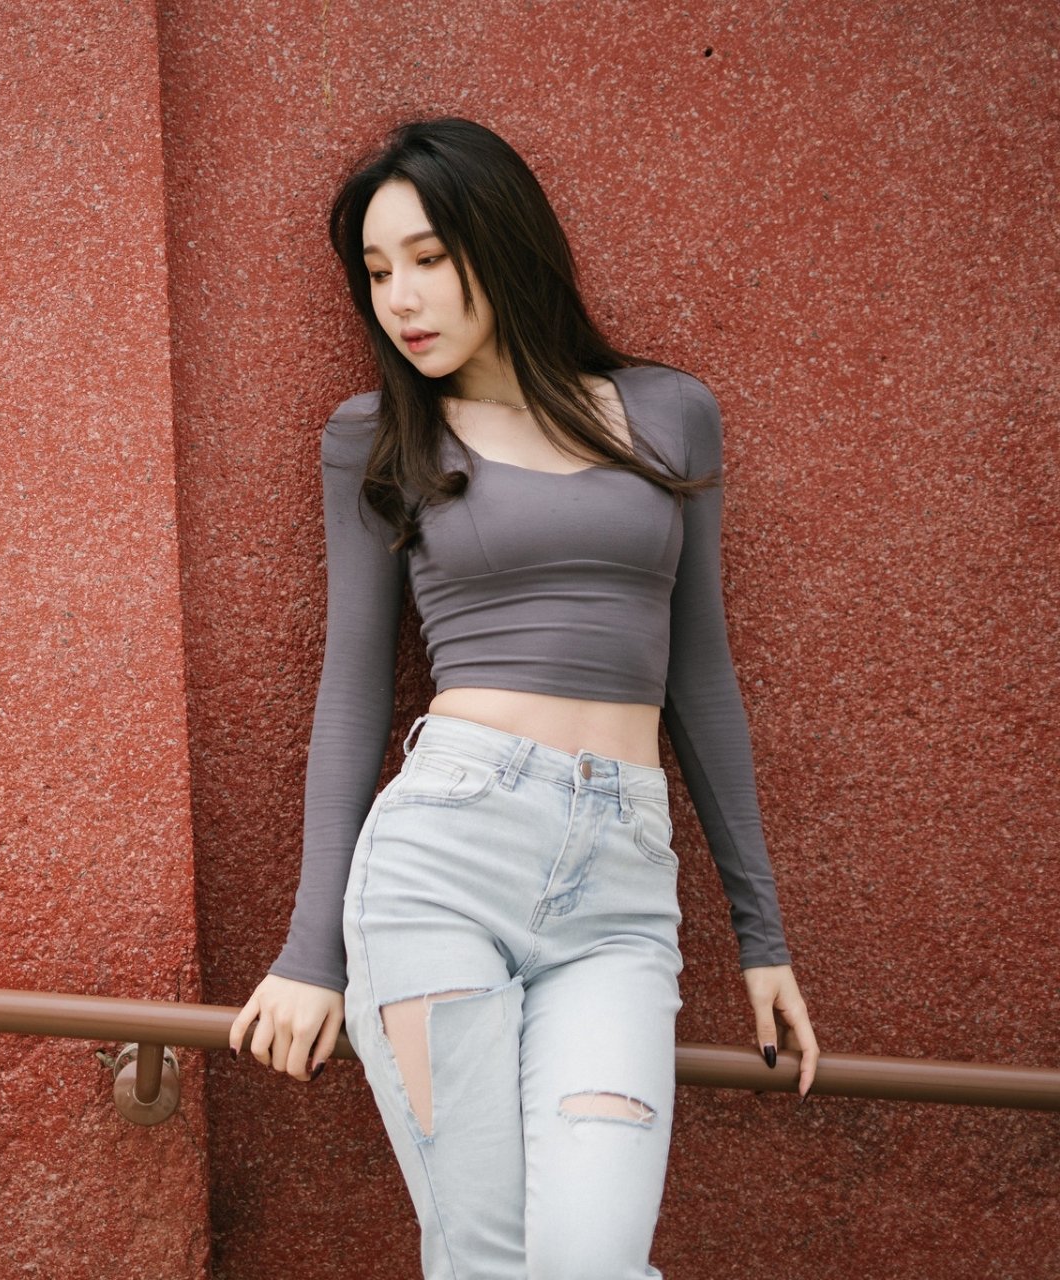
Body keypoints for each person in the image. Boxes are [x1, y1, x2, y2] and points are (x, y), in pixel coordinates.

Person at [227, 116, 821, 1277]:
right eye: (378, 271)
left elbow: (699, 675)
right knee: (485, 1261)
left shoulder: (667, 412)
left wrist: (764, 933)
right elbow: (351, 692)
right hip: (441, 863)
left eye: (430, 257)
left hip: (621, 892)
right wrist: (310, 953)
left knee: (595, 1261)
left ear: (502, 240)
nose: (403, 296)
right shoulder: (377, 438)